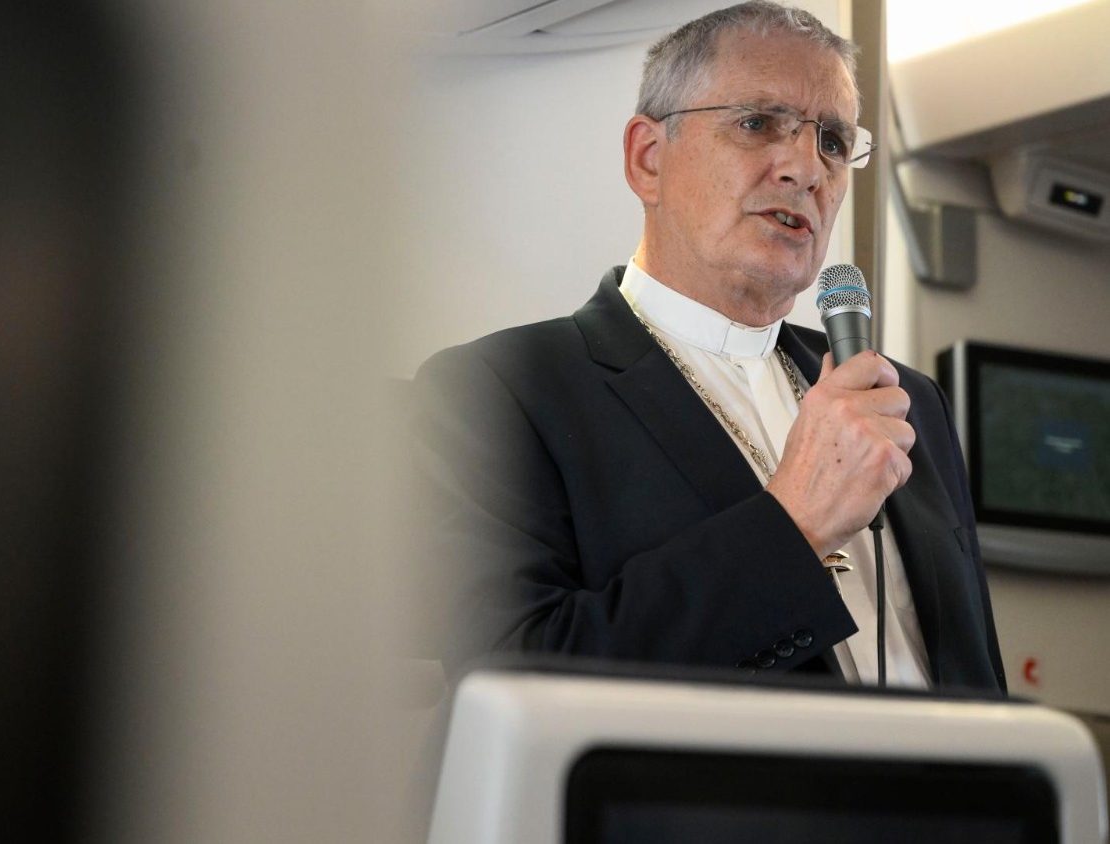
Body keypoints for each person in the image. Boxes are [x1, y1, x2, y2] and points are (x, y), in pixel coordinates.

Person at [413, 1, 1007, 694]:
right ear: (648, 159)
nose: (806, 169)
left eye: (834, 141)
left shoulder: (907, 400)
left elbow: (976, 674)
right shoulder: (498, 390)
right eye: (757, 123)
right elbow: (513, 681)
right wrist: (794, 523)